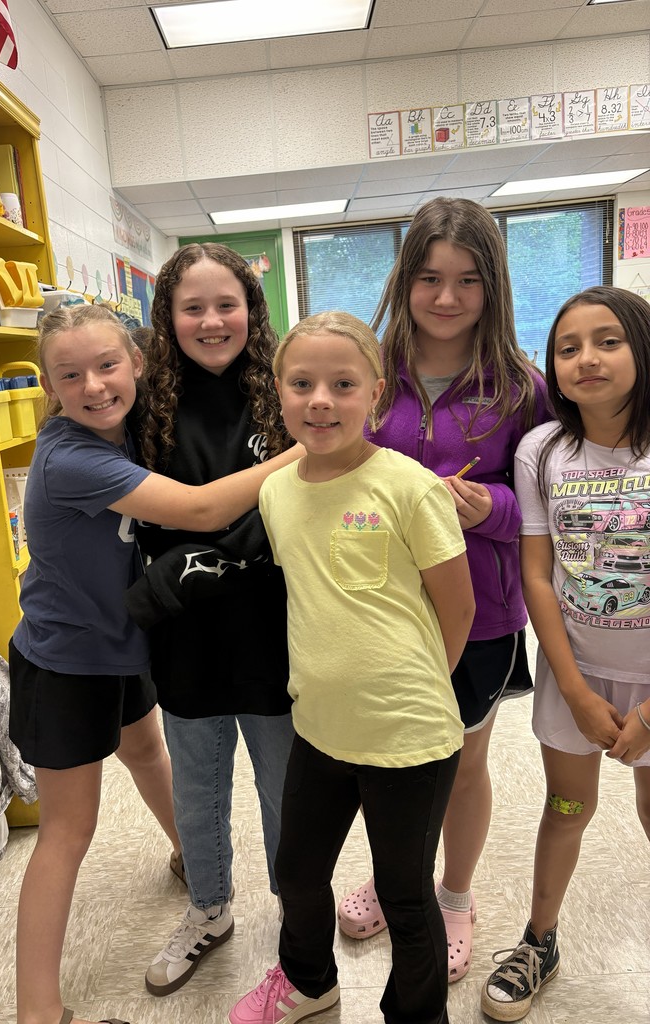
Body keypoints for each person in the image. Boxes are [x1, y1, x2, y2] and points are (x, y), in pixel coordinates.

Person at [8, 303, 299, 1024]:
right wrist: (308, 449)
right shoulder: (73, 456)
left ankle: (188, 863)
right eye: (70, 375)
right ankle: (37, 1010)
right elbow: (201, 509)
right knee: (67, 833)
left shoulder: (136, 428)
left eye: (108, 366)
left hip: (123, 645)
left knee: (144, 751)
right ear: (50, 385)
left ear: (138, 363)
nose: (94, 386)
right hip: (65, 663)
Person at [229, 311, 475, 1024]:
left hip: (409, 735)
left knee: (403, 891)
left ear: (376, 392)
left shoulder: (409, 487)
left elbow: (454, 610)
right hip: (320, 728)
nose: (321, 401)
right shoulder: (276, 491)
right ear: (278, 392)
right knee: (298, 873)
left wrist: (417, 687)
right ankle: (310, 983)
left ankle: (417, 1013)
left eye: (342, 384)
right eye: (302, 384)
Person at [337, 197, 550, 984]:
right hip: (379, 608)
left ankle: (453, 896)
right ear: (405, 281)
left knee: (463, 761)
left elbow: (547, 498)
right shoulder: (368, 370)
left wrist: (487, 506)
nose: (447, 298)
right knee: (389, 762)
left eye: (466, 280)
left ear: (492, 286)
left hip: (483, 611)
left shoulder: (523, 387)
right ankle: (399, 878)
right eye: (429, 278)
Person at [122, 243, 296, 996]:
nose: (210, 320)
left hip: (276, 632)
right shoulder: (142, 403)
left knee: (287, 789)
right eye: (191, 307)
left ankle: (301, 912)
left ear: (251, 310)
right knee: (196, 788)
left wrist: (209, 554)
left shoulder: (284, 394)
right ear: (167, 316)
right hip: (185, 637)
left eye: (226, 303)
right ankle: (209, 906)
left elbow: (304, 501)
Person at [481, 286, 650, 1021]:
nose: (586, 359)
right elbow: (539, 574)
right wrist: (577, 690)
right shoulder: (542, 450)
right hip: (574, 677)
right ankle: (539, 939)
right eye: (569, 347)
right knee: (567, 806)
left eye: (608, 341)